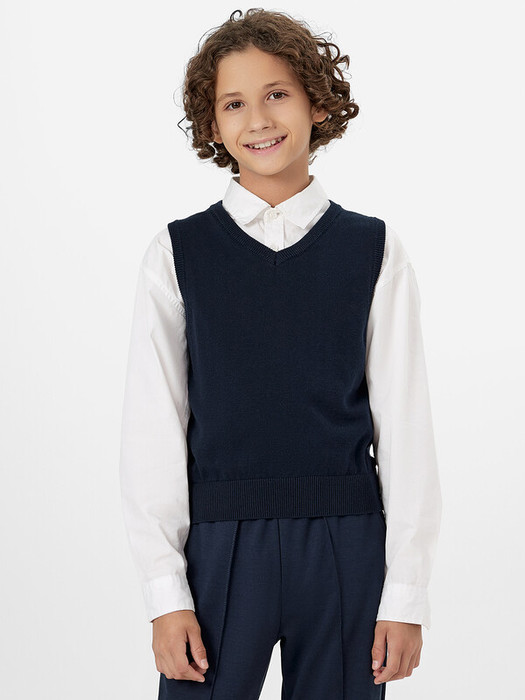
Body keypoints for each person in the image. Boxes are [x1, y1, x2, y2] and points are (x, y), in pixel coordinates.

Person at [119, 8, 442, 699]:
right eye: (234, 103)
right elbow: (153, 431)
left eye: (276, 94)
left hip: (347, 544)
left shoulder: (372, 249)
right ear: (211, 125)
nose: (258, 120)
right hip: (217, 545)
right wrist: (164, 592)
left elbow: (405, 428)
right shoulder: (177, 254)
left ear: (317, 103)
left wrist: (406, 594)